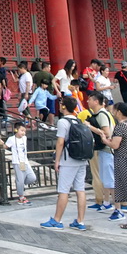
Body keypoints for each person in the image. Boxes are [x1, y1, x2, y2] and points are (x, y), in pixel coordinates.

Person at [40, 96, 90, 230]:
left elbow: (60, 142)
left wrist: (57, 160)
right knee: (80, 190)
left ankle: (57, 220)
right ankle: (80, 221)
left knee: (63, 190)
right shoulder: (78, 119)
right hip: (81, 159)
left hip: (68, 160)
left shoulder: (63, 122)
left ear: (63, 106)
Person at [86, 92, 118, 217]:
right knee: (105, 178)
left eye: (90, 100)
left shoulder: (102, 115)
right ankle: (106, 202)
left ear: (96, 101)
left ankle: (117, 207)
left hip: (107, 150)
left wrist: (90, 127)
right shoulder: (99, 114)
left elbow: (107, 132)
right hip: (103, 150)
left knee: (110, 180)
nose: (88, 102)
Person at [7, 121, 36, 204]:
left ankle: (20, 185)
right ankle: (21, 197)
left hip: (25, 161)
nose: (23, 133)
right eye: (21, 130)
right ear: (16, 130)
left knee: (32, 177)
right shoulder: (11, 139)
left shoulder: (25, 138)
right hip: (17, 162)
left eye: (24, 131)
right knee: (20, 180)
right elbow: (6, 146)